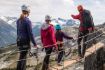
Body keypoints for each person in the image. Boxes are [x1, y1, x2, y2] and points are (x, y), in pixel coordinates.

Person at [16, 5, 37, 70]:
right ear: (28, 12)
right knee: (23, 59)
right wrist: (34, 44)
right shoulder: (27, 21)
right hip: (25, 42)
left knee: (21, 57)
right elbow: (30, 33)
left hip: (19, 41)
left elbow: (18, 32)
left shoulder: (18, 20)